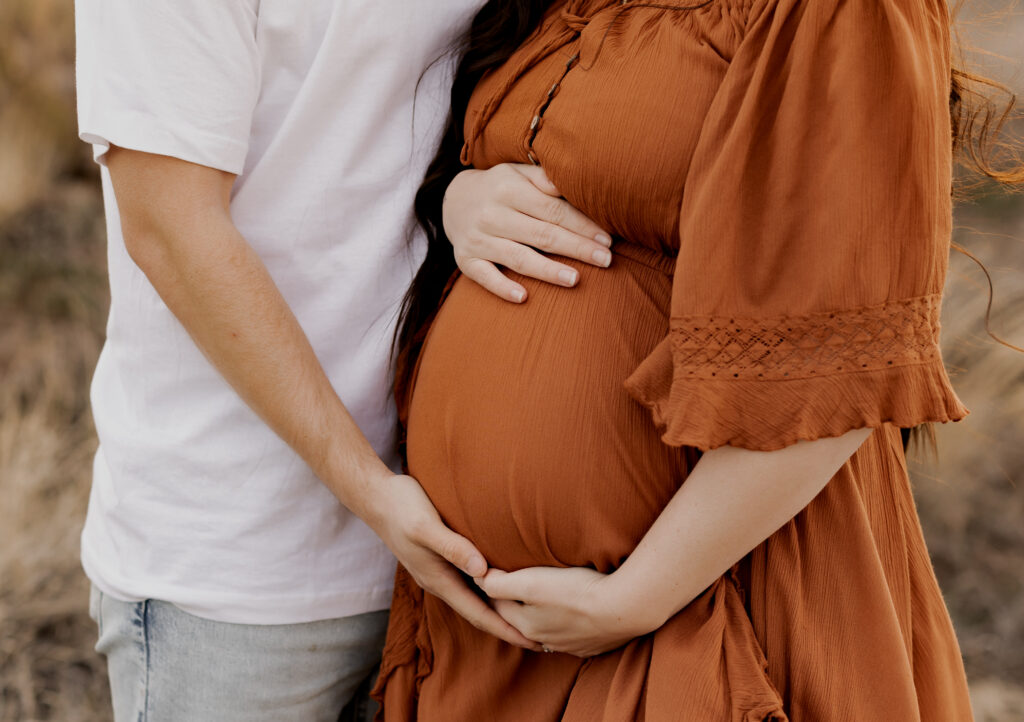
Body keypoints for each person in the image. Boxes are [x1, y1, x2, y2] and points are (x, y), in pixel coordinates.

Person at [373, 0, 986, 719]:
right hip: (490, 642)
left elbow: (846, 360)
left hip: (698, 613)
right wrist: (459, 200)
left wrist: (634, 598)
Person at [73, 1, 615, 719]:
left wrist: (454, 196)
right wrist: (373, 493)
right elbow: (172, 226)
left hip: (457, 565)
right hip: (241, 571)